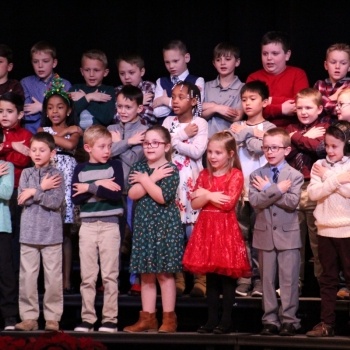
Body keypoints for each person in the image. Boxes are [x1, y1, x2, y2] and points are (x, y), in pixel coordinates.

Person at [183, 131, 251, 334]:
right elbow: (194, 203)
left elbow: (228, 203)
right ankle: (212, 320)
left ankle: (226, 320)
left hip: (225, 229)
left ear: (230, 154)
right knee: (211, 278)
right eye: (210, 152)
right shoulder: (204, 174)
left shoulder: (235, 175)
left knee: (227, 279)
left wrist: (205, 194)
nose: (212, 157)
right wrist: (211, 194)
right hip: (206, 227)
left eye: (218, 153)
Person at [123, 125, 183, 333]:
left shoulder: (170, 169)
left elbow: (161, 196)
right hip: (144, 226)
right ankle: (147, 318)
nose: (149, 147)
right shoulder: (138, 167)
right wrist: (151, 179)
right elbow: (132, 194)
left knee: (164, 274)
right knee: (146, 274)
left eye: (155, 143)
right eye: (146, 142)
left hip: (165, 226)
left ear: (166, 147)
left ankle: (169, 319)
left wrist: (148, 179)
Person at [249, 127, 304, 336]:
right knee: (267, 280)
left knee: (288, 279)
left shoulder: (295, 175)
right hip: (264, 235)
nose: (269, 152)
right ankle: (270, 319)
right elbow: (255, 202)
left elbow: (291, 202)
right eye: (266, 148)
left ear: (286, 150)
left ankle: (290, 320)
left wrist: (268, 190)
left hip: (287, 234)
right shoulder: (256, 174)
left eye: (274, 148)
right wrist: (277, 189)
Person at [72, 125, 123, 333]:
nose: (107, 151)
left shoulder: (115, 166)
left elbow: (115, 194)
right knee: (88, 276)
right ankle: (88, 318)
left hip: (110, 225)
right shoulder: (79, 169)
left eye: (109, 146)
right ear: (88, 148)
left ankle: (110, 319)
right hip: (88, 227)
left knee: (110, 274)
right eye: (102, 146)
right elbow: (77, 197)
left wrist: (90, 187)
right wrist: (101, 183)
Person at [15, 132, 65, 332]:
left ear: (52, 152)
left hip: (51, 234)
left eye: (42, 150)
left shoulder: (57, 175)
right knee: (27, 277)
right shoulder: (26, 173)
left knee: (53, 278)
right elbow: (22, 200)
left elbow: (55, 202)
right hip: (28, 233)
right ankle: (29, 317)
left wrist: (35, 191)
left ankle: (52, 317)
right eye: (33, 150)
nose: (37, 153)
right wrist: (41, 188)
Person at [230, 80, 275, 297]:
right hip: (240, 190)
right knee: (241, 236)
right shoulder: (235, 126)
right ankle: (244, 277)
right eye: (244, 99)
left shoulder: (270, 129)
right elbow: (230, 147)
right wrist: (248, 135)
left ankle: (259, 280)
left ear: (265, 101)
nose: (247, 103)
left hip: (260, 191)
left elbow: (264, 149)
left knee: (260, 238)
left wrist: (246, 135)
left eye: (253, 99)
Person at [163, 81, 208, 297]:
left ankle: (200, 278)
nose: (175, 101)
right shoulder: (167, 121)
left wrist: (173, 141)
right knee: (175, 233)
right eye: (173, 96)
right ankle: (179, 278)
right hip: (171, 182)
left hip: (191, 183)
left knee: (194, 232)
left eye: (181, 97)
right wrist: (181, 136)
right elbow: (161, 147)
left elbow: (197, 151)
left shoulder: (200, 122)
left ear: (193, 100)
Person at [38, 74, 82, 294]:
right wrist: (62, 133)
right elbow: (46, 141)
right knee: (49, 231)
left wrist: (59, 134)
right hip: (49, 179)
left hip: (67, 178)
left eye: (60, 107)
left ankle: (66, 280)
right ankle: (50, 281)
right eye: (51, 108)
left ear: (69, 110)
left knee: (65, 233)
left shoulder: (73, 130)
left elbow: (71, 145)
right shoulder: (40, 131)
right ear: (46, 112)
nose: (55, 111)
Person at [306, 121, 350, 337]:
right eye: (328, 146)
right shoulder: (318, 165)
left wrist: (328, 178)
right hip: (324, 229)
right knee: (328, 280)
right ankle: (326, 324)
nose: (330, 151)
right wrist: (337, 179)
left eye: (335, 146)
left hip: (347, 229)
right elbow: (314, 194)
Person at [285, 88, 331, 293]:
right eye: (300, 108)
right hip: (293, 188)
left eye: (308, 108)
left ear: (320, 108)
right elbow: (284, 153)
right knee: (294, 241)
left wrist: (296, 137)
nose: (303, 112)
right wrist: (301, 136)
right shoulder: (290, 127)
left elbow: (318, 148)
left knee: (317, 241)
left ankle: (324, 285)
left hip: (314, 186)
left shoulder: (324, 127)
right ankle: (295, 284)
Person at [107, 85, 149, 296]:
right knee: (111, 237)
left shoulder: (144, 132)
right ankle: (109, 279)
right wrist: (127, 143)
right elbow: (104, 153)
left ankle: (136, 280)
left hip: (133, 191)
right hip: (112, 190)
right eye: (120, 106)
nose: (123, 111)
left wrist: (120, 144)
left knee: (134, 235)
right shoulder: (111, 128)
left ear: (139, 108)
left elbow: (134, 160)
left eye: (128, 107)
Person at [247, 31, 309, 128]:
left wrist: (269, 100)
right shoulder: (253, 78)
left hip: (292, 132)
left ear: (287, 55)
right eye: (265, 54)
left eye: (275, 53)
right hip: (259, 131)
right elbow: (252, 110)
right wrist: (281, 109)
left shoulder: (298, 74)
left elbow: (301, 104)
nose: (269, 58)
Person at [0, 92, 32, 276]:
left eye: (9, 111)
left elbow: (20, 160)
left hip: (16, 193)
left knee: (14, 238)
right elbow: (14, 154)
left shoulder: (26, 135)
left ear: (20, 114)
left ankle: (15, 279)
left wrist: (4, 150)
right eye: (0, 111)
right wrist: (11, 146)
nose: (4, 115)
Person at [69, 50, 115, 163]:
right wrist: (88, 97)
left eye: (96, 70)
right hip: (78, 144)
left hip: (99, 145)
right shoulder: (75, 89)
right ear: (81, 71)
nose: (91, 74)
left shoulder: (108, 91)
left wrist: (85, 98)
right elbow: (70, 114)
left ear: (105, 72)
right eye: (87, 70)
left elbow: (106, 117)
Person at [20, 41, 71, 134]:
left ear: (54, 63)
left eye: (45, 61)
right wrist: (53, 108)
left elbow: (66, 113)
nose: (40, 65)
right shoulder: (25, 83)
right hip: (31, 133)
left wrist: (41, 107)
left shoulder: (64, 84)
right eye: (35, 62)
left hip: (57, 134)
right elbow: (28, 114)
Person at [152, 40, 205, 124]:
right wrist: (184, 104)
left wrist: (165, 101)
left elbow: (195, 110)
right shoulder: (161, 81)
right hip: (164, 132)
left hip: (188, 129)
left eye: (175, 61)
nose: (171, 66)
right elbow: (157, 113)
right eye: (167, 62)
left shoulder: (197, 81)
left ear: (186, 58)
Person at [202, 42, 244, 137]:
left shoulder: (242, 87)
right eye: (218, 60)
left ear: (237, 62)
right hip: (206, 139)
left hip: (230, 139)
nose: (222, 63)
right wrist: (216, 108)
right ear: (214, 64)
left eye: (227, 59)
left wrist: (209, 108)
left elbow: (237, 116)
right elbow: (198, 113)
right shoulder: (207, 86)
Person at [0, 128, 18, 331]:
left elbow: (5, 193)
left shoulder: (7, 166)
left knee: (5, 272)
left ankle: (9, 315)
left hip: (2, 227)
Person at [114, 52, 156, 125]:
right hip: (123, 132)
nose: (126, 77)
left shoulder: (148, 87)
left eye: (131, 72)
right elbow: (116, 118)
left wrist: (127, 111)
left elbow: (153, 116)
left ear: (142, 72)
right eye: (122, 73)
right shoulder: (117, 91)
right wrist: (139, 103)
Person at [314, 43, 350, 121]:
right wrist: (333, 97)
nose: (337, 67)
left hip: (341, 130)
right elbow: (312, 109)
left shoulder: (348, 86)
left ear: (349, 67)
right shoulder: (319, 85)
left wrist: (322, 101)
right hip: (318, 130)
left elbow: (341, 112)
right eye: (333, 62)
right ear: (326, 65)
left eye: (343, 63)